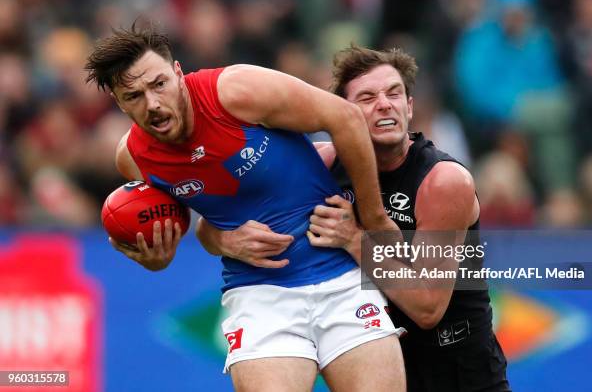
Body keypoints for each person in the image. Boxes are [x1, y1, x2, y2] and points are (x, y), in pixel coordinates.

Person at [84, 26, 405, 391]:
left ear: (177, 72)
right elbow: (203, 227)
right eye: (135, 95)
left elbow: (345, 118)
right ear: (118, 101)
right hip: (260, 294)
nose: (153, 103)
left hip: (342, 276)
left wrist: (376, 218)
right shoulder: (135, 159)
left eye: (159, 84)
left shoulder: (236, 91)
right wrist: (175, 254)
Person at [200, 45, 511, 391]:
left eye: (394, 94)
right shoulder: (323, 165)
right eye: (367, 98)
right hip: (382, 368)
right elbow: (214, 220)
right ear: (341, 115)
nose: (384, 104)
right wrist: (224, 240)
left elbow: (427, 307)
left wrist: (353, 239)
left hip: (459, 375)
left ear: (409, 107)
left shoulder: (443, 181)